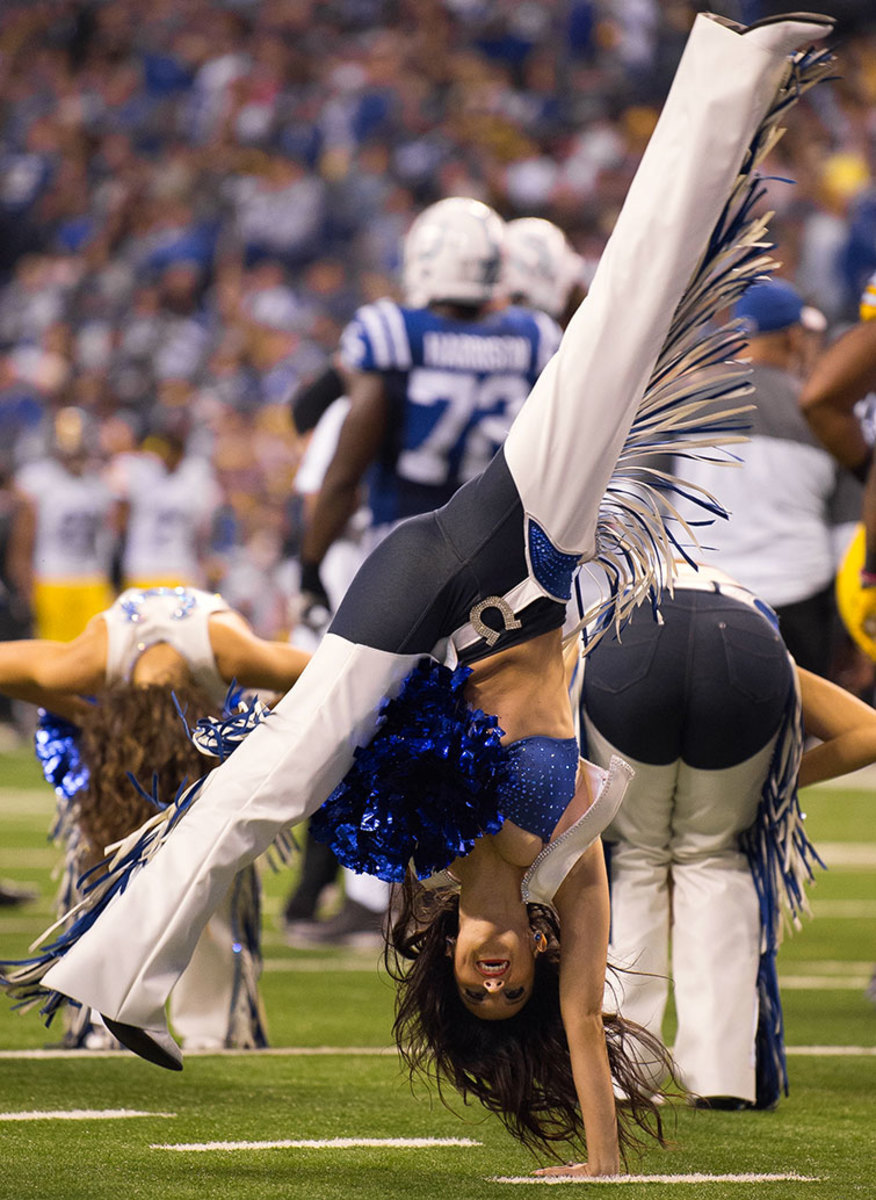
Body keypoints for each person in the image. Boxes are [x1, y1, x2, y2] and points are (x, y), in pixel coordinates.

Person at [3, 13, 835, 1178]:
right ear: (535, 964)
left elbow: (384, 742)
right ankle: (738, 61)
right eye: (510, 991)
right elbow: (589, 1041)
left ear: (444, 964)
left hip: (437, 576)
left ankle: (108, 970)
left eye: (470, 988)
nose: (490, 976)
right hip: (530, 563)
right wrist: (601, 1164)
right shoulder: (573, 870)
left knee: (283, 776)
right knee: (633, 323)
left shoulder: (422, 875)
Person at [286, 198, 563, 944]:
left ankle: (378, 899)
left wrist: (311, 563)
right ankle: (504, 883)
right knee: (497, 722)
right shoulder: (535, 335)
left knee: (374, 723)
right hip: (505, 564)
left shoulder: (390, 332)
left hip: (407, 555)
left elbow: (347, 463)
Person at [576, 560, 875, 1114]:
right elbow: (867, 733)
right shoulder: (742, 617)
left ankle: (622, 1070)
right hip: (747, 652)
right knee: (713, 857)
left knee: (634, 858)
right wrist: (770, 784)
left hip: (626, 650)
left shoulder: (610, 614)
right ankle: (720, 1075)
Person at [0, 585, 309, 1050]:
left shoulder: (231, 653)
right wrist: (84, 717)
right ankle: (93, 1023)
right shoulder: (85, 662)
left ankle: (217, 1029)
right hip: (115, 730)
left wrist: (255, 723)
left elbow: (326, 673)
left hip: (206, 743)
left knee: (212, 863)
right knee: (100, 857)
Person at [672, 277, 851, 676]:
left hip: (695, 598)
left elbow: (637, 501)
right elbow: (848, 539)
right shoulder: (823, 412)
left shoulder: (682, 400)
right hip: (797, 602)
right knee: (805, 734)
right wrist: (850, 637)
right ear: (793, 337)